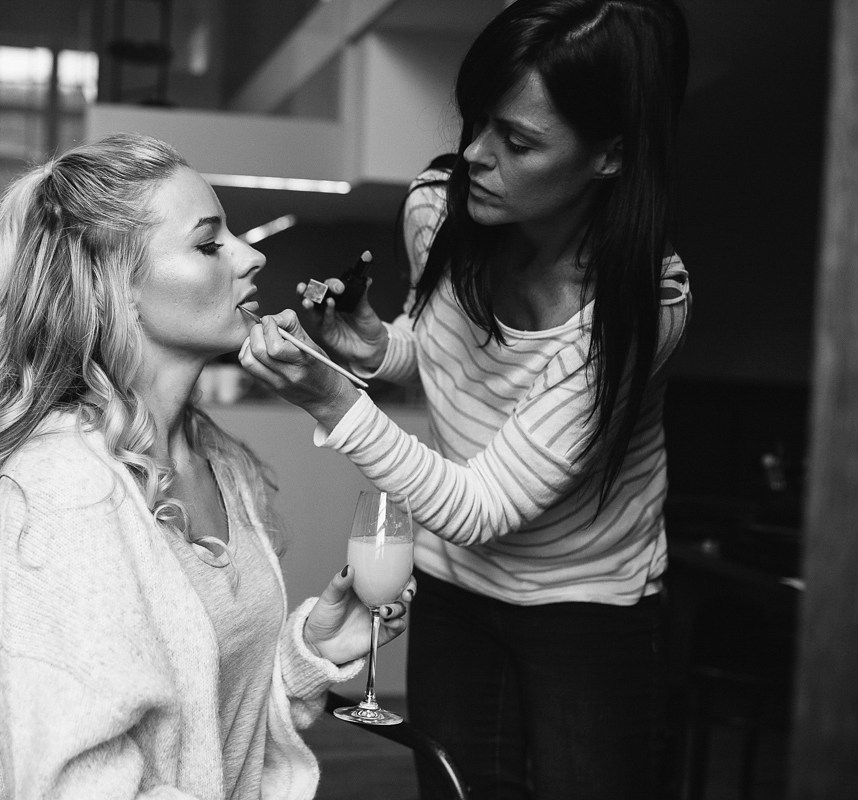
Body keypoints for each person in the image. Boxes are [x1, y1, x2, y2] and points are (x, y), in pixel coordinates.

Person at [0, 132, 414, 800]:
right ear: (112, 289)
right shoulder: (64, 496)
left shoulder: (220, 464)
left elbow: (214, 732)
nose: (252, 254)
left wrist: (309, 653)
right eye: (209, 243)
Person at [239, 1, 691, 798]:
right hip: (454, 587)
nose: (475, 154)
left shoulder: (641, 308)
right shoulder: (439, 211)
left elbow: (483, 503)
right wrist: (375, 349)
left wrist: (334, 404)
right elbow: (440, 363)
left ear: (610, 156)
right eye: (479, 122)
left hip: (585, 605)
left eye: (517, 141)